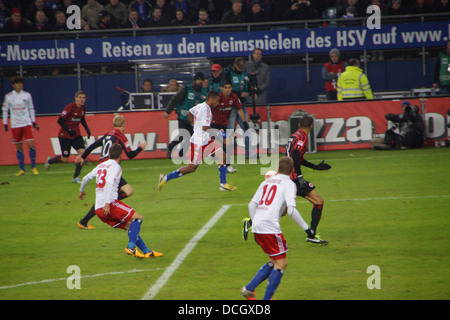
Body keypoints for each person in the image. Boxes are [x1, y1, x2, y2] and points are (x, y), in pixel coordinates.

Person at [240, 157, 315, 300]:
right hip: (270, 229)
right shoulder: (289, 184)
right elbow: (291, 211)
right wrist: (307, 229)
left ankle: (249, 289)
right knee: (282, 263)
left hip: (257, 227)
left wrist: (255, 222)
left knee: (275, 261)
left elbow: (251, 205)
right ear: (292, 170)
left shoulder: (266, 182)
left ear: (277, 168)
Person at [79, 143, 163, 258]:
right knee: (138, 218)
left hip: (98, 210)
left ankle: (147, 251)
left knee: (130, 227)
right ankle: (131, 247)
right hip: (110, 205)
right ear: (121, 155)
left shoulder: (101, 165)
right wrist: (108, 204)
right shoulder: (116, 167)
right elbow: (109, 183)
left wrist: (81, 191)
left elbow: (85, 178)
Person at [75, 115, 147, 229]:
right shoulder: (121, 137)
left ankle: (87, 219)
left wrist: (83, 156)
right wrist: (140, 148)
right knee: (125, 192)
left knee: (126, 192)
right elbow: (130, 155)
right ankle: (93, 215)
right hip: (111, 169)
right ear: (123, 126)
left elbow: (93, 146)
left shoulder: (107, 135)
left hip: (101, 168)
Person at [158, 90, 238, 192]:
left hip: (206, 140)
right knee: (191, 168)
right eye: (217, 101)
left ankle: (223, 184)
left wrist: (194, 126)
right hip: (198, 143)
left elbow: (189, 113)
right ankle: (165, 178)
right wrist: (220, 134)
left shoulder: (200, 106)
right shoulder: (207, 110)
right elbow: (205, 128)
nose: (218, 103)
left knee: (222, 156)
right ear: (211, 99)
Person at [286, 116, 331, 244]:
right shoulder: (302, 138)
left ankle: (250, 222)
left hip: (287, 176)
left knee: (282, 209)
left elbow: (298, 158)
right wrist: (299, 178)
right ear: (311, 126)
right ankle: (312, 235)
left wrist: (314, 167)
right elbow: (295, 156)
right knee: (319, 201)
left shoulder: (295, 135)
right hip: (293, 178)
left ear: (299, 125)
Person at [45, 91, 91, 183]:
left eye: (83, 98)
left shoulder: (83, 108)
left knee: (82, 153)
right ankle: (50, 160)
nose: (82, 100)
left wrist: (87, 129)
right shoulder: (69, 108)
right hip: (64, 136)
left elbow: (82, 119)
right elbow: (60, 121)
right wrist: (69, 130)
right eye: (80, 97)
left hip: (76, 135)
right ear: (76, 98)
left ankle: (75, 177)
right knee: (64, 159)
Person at [164, 72, 208, 158]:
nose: (199, 81)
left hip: (194, 120)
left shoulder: (205, 93)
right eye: (198, 79)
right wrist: (168, 111)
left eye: (201, 80)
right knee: (182, 135)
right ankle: (170, 147)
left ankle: (181, 154)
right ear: (195, 80)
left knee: (192, 138)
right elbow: (175, 99)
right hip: (183, 117)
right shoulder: (187, 89)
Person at [2, 76, 39, 176]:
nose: (19, 85)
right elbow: (5, 110)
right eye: (17, 83)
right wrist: (5, 123)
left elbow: (31, 108)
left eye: (20, 83)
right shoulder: (9, 96)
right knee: (19, 147)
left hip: (26, 123)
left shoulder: (27, 95)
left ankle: (33, 167)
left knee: (31, 145)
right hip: (15, 125)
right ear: (13, 85)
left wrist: (33, 121)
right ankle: (22, 169)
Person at [213, 81, 250, 173]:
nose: (228, 90)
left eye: (229, 87)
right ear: (222, 88)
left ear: (232, 88)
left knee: (226, 144)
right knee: (225, 144)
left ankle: (225, 165)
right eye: (225, 87)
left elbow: (239, 108)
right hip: (215, 124)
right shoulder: (218, 98)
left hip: (225, 125)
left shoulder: (233, 97)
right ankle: (226, 165)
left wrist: (244, 122)